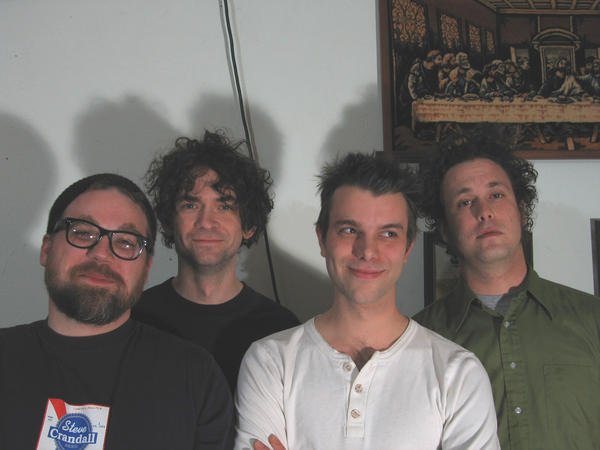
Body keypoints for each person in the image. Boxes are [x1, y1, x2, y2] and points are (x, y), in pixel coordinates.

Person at [235, 153, 499, 450]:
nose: (367, 251)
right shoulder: (270, 363)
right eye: (349, 230)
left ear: (408, 247)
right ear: (322, 239)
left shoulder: (458, 373)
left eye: (388, 234)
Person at [0, 173, 234, 449]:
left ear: (146, 269)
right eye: (83, 232)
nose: (102, 253)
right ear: (46, 249)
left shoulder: (196, 376)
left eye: (125, 242)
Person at [414, 134, 600, 450]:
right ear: (444, 229)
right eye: (465, 202)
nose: (484, 211)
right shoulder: (417, 339)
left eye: (496, 195)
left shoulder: (593, 319)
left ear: (522, 211)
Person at [132, 131, 299, 391]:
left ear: (249, 226)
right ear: (168, 221)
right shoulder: (133, 318)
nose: (206, 222)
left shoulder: (281, 329)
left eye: (224, 206)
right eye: (191, 205)